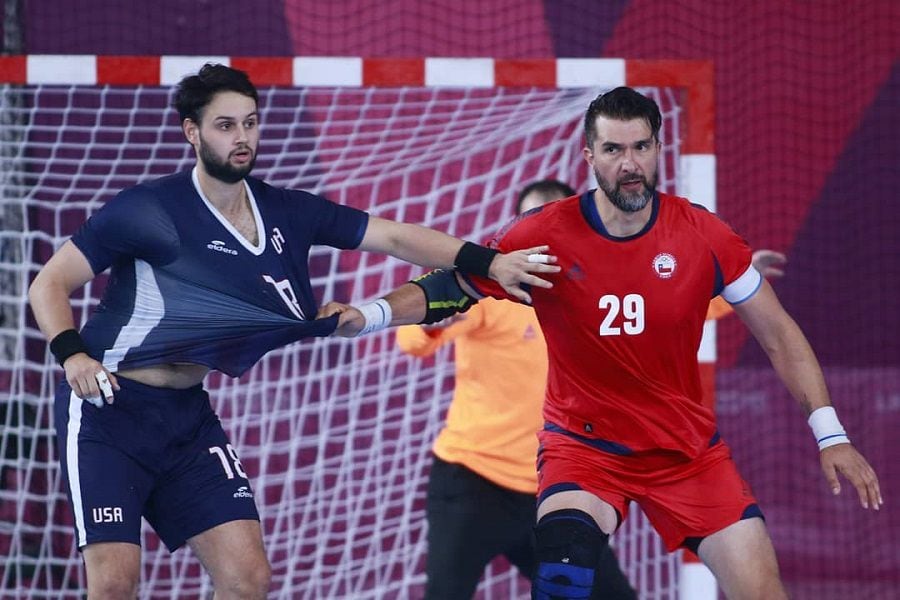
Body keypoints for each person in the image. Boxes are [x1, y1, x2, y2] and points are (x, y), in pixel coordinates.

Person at [26, 63, 558, 599]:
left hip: (187, 416)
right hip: (109, 411)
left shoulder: (285, 210)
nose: (242, 138)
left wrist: (489, 263)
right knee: (115, 586)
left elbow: (395, 238)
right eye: (226, 125)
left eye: (251, 124)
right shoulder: (147, 210)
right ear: (193, 132)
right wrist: (73, 357)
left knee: (248, 579)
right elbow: (48, 285)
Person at [329, 87, 882, 599]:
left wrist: (830, 434)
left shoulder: (704, 237)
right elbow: (450, 286)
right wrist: (368, 314)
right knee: (564, 573)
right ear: (589, 156)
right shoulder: (543, 236)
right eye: (614, 149)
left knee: (762, 592)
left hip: (686, 453)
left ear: (659, 149)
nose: (630, 163)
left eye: (641, 146)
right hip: (584, 451)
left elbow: (779, 333)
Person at [396, 180, 636, 600]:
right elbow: (413, 342)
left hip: (555, 489)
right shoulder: (489, 290)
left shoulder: (606, 291)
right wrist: (438, 320)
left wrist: (734, 285)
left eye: (555, 216)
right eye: (533, 219)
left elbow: (678, 304)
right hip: (473, 482)